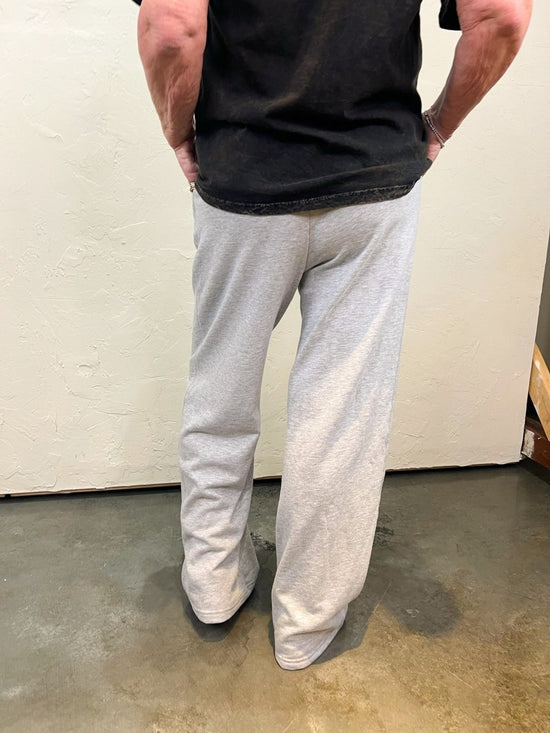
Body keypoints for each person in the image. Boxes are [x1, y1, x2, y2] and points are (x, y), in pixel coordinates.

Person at [136, 0, 532, 670]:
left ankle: (213, 587)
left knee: (220, 390)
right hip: (372, 182)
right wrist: (438, 125)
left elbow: (172, 27)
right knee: (341, 415)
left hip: (245, 176)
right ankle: (306, 622)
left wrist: (179, 133)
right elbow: (503, 16)